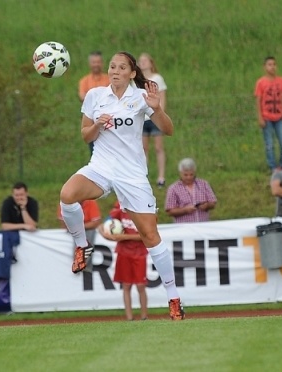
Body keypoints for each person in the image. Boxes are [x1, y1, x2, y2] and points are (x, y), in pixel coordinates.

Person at [59, 51, 185, 320]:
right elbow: (85, 136)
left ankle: (173, 298)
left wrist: (158, 109)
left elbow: (169, 130)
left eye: (121, 67)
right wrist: (96, 125)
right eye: (112, 66)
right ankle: (82, 245)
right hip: (101, 167)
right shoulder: (94, 96)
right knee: (67, 195)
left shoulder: (141, 96)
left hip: (132, 175)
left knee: (151, 237)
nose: (115, 71)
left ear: (131, 73)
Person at [99, 201, 148, 321]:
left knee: (141, 286)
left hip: (139, 252)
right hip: (123, 252)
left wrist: (123, 237)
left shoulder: (144, 208)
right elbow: (103, 224)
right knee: (126, 285)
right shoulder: (120, 208)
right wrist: (105, 234)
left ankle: (144, 316)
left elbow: (146, 235)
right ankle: (129, 317)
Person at [138, 53, 168, 188]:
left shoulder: (157, 78)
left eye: (145, 61)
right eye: (141, 61)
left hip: (154, 117)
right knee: (143, 148)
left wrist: (159, 114)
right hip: (141, 118)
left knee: (158, 147)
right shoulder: (138, 81)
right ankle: (144, 175)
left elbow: (162, 97)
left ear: (151, 63)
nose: (143, 63)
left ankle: (161, 177)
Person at [254, 56, 282, 172]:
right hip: (266, 117)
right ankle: (272, 167)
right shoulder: (261, 82)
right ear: (264, 67)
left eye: (274, 64)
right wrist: (260, 117)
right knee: (269, 144)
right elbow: (258, 99)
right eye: (269, 64)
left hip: (279, 117)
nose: (272, 67)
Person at [165, 158, 217, 223]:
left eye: (191, 174)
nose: (189, 177)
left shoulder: (204, 184)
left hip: (203, 225)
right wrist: (184, 210)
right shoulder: (173, 188)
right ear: (180, 173)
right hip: (183, 227)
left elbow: (213, 203)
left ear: (194, 172)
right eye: (185, 175)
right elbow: (169, 211)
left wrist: (206, 206)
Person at [78, 51, 110, 154]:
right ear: (90, 63)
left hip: (108, 120)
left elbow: (112, 96)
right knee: (94, 149)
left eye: (98, 62)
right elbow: (82, 97)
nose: (96, 64)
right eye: (93, 62)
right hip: (91, 120)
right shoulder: (84, 81)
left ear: (102, 63)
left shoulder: (108, 79)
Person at [57, 200, 101, 272]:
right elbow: (64, 223)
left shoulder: (90, 202)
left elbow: (95, 223)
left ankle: (82, 263)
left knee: (88, 232)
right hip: (73, 229)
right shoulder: (65, 203)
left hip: (85, 229)